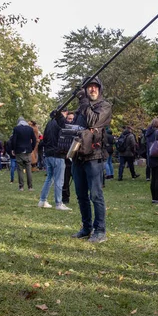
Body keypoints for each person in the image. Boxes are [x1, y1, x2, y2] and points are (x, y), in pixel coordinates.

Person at [69, 77, 112, 243]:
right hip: (79, 157)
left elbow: (93, 120)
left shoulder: (104, 106)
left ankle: (100, 230)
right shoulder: (82, 107)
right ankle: (86, 228)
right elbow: (75, 128)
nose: (92, 90)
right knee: (81, 195)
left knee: (96, 195)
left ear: (99, 89)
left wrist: (83, 100)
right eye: (89, 87)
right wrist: (58, 119)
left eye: (95, 87)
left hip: (94, 157)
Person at [38, 111, 71, 210]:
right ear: (64, 113)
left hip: (48, 154)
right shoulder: (60, 123)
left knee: (49, 178)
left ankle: (42, 200)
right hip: (58, 154)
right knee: (59, 180)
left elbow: (44, 138)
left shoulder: (49, 123)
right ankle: (59, 203)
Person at [10, 117, 37, 191]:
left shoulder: (16, 129)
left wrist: (13, 149)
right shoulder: (30, 129)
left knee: (20, 169)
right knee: (28, 169)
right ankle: (30, 187)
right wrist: (32, 148)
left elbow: (14, 140)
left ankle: (21, 187)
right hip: (28, 151)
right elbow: (34, 140)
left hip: (19, 151)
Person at [62, 111, 75, 203]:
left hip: (76, 158)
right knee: (65, 180)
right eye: (69, 119)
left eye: (72, 119)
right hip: (66, 158)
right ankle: (65, 198)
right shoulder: (63, 131)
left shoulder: (77, 130)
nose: (71, 121)